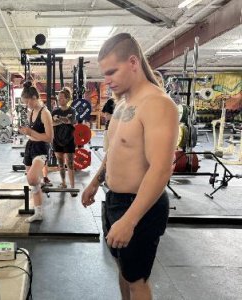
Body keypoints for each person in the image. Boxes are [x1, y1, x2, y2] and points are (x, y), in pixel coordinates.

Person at [81, 33, 178, 300]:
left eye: (112, 71)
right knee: (124, 271)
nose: (107, 80)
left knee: (137, 281)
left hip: (140, 207)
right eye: (104, 73)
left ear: (133, 62)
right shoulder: (123, 104)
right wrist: (95, 182)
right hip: (115, 200)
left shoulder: (158, 104)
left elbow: (160, 169)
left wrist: (130, 220)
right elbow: (113, 150)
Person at [19, 81, 53, 222]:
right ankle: (38, 212)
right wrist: (26, 132)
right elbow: (31, 132)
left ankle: (42, 182)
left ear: (34, 98)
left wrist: (30, 131)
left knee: (32, 178)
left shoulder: (45, 113)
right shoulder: (32, 111)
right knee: (33, 184)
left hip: (41, 148)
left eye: (28, 102)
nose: (27, 105)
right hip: (30, 146)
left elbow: (49, 138)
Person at [51, 87, 77, 194]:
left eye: (61, 98)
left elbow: (71, 122)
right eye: (59, 98)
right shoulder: (55, 111)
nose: (59, 100)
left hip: (69, 140)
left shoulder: (72, 110)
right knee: (60, 164)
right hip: (57, 140)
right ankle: (63, 183)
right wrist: (65, 119)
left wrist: (59, 119)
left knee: (70, 164)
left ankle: (72, 186)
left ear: (67, 99)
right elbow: (52, 123)